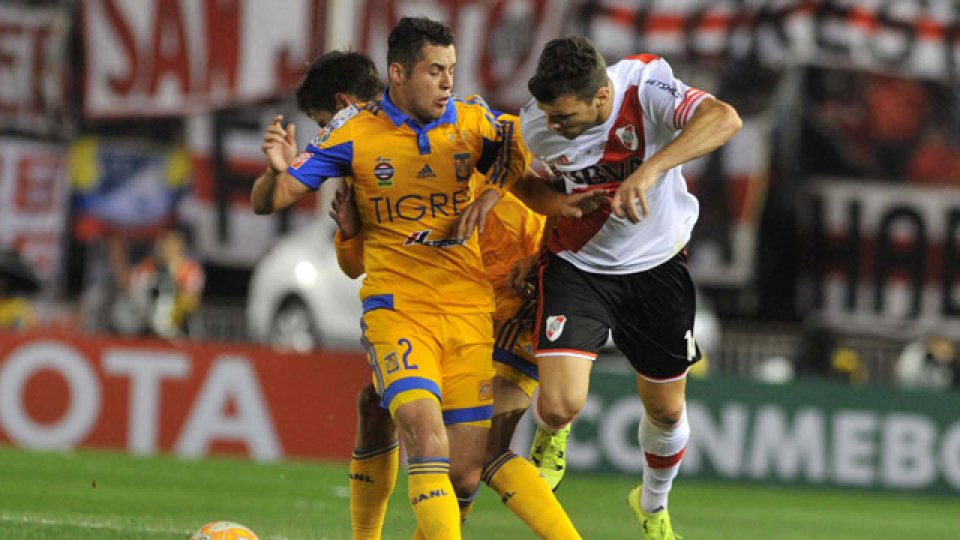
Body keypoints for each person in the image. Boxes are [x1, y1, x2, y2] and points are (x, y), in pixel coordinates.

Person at [251, 19, 581, 539]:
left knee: (470, 468)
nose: (448, 81)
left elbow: (524, 147)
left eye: (450, 70)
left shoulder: (470, 124)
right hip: (407, 308)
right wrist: (282, 178)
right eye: (437, 70)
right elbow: (350, 259)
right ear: (399, 73)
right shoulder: (353, 143)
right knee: (424, 437)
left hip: (501, 299)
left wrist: (536, 244)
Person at [513, 37, 742, 539]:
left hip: (657, 267)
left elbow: (725, 118)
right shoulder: (536, 124)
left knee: (666, 409)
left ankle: (652, 505)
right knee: (557, 405)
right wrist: (557, 207)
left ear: (601, 97)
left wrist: (650, 169)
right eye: (549, 116)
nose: (554, 126)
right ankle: (552, 437)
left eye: (565, 117)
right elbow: (523, 184)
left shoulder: (645, 85)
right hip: (578, 265)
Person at [126, 228, 205, 338]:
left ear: (180, 245)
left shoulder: (190, 269)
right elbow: (133, 290)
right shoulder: (148, 266)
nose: (167, 247)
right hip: (146, 323)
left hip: (178, 326)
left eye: (172, 243)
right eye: (165, 242)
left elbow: (192, 299)